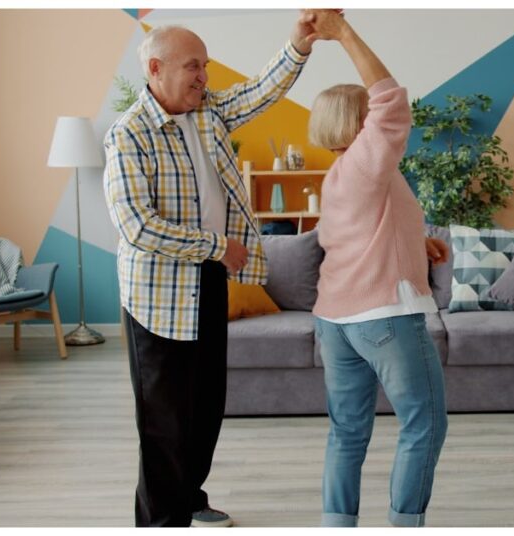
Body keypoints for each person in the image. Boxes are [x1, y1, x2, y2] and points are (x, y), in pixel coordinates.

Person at [102, 16, 325, 527]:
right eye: (193, 66)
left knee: (206, 406)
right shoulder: (128, 135)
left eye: (204, 65)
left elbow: (262, 92)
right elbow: (137, 226)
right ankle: (162, 519)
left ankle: (189, 494)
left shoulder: (207, 110)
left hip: (207, 281)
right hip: (157, 293)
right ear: (155, 69)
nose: (204, 76)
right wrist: (217, 246)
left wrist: (298, 44)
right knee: (162, 419)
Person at [306, 10, 449, 528]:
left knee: (347, 431)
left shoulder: (343, 176)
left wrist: (419, 242)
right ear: (360, 124)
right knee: (425, 422)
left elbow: (357, 237)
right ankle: (405, 524)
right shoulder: (368, 162)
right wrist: (342, 32)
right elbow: (391, 100)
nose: (377, 120)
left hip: (335, 320)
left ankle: (338, 525)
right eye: (368, 116)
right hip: (381, 317)